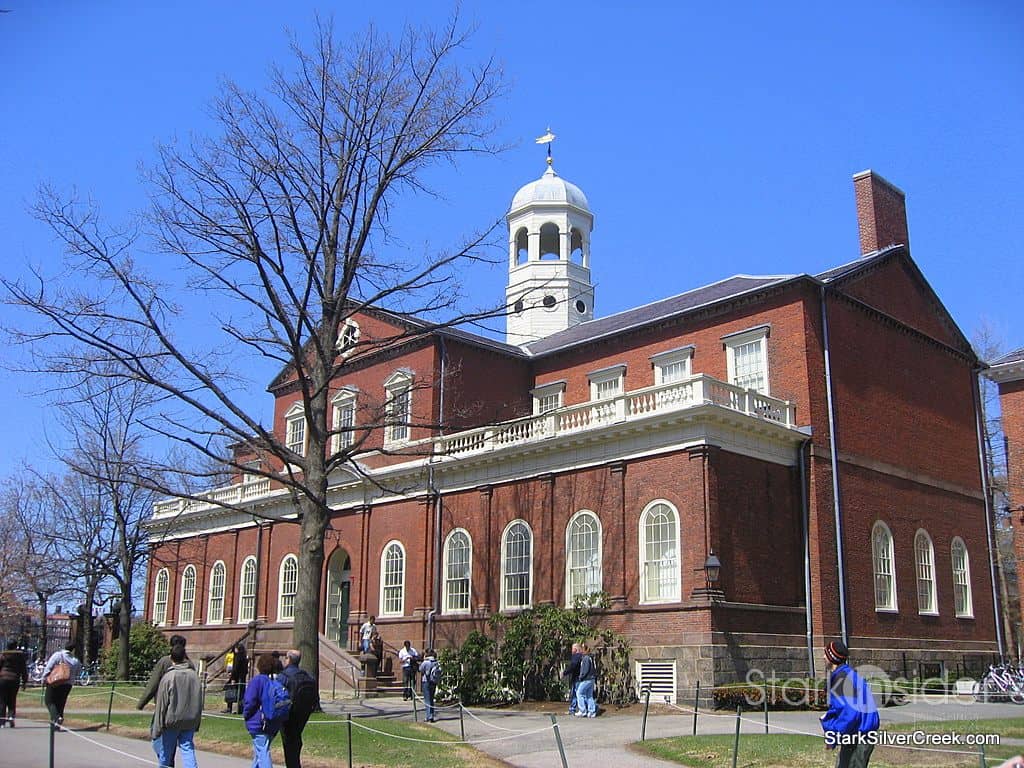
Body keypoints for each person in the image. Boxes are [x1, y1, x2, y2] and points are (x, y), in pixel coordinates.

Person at [820, 640, 879, 768]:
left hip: (858, 736)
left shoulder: (843, 680)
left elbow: (850, 714)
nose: (823, 657)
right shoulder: (848, 675)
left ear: (832, 658)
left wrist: (833, 737)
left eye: (826, 654)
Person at [151, 642, 203, 768]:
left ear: (171, 658)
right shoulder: (194, 676)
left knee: (165, 754)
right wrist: (197, 721)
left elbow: (161, 705)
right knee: (188, 749)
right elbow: (199, 701)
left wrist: (157, 729)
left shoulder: (169, 677)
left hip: (172, 721)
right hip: (189, 720)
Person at [243, 653, 288, 768]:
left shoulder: (257, 681)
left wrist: (246, 715)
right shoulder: (274, 682)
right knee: (260, 753)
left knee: (262, 752)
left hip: (258, 723)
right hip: (272, 723)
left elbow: (249, 701)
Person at [279, 650, 319, 768]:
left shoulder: (283, 676)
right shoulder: (307, 676)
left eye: (286, 657)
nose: (284, 660)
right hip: (303, 714)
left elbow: (275, 694)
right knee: (295, 741)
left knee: (289, 744)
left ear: (289, 659)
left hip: (288, 715)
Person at [139, 635, 194, 709]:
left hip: (165, 703)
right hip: (184, 705)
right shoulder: (190, 664)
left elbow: (153, 685)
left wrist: (141, 704)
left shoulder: (164, 661)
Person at [42, 642, 82, 727]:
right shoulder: (75, 660)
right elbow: (78, 672)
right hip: (68, 684)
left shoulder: (58, 655)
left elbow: (49, 667)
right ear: (73, 650)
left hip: (55, 681)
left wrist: (44, 678)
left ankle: (57, 717)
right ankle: (57, 724)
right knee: (61, 703)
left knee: (49, 701)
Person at [0, 641, 28, 727]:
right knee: (12, 699)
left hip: (3, 679)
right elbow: (24, 670)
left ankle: (2, 721)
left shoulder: (3, 655)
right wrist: (24, 681)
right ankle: (11, 716)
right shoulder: (20, 656)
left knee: (2, 701)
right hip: (15, 679)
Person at [573, 643, 598, 718]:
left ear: (584, 650)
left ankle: (582, 710)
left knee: (579, 693)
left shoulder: (586, 658)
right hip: (591, 679)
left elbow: (585, 670)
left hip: (587, 679)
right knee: (589, 695)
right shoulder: (589, 657)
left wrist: (581, 677)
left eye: (582, 649)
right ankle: (592, 711)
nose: (581, 651)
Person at [224, 643, 248, 714]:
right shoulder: (244, 657)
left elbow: (236, 668)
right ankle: (240, 709)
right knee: (240, 694)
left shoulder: (238, 657)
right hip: (242, 677)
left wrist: (233, 678)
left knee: (231, 692)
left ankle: (230, 708)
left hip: (236, 677)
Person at [419, 649, 440, 723]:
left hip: (426, 681)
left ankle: (428, 716)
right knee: (431, 699)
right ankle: (432, 715)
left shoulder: (426, 662)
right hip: (433, 682)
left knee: (427, 700)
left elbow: (420, 670)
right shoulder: (436, 662)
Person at [561, 642, 582, 715]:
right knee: (577, 694)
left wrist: (565, 672)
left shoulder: (576, 656)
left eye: (572, 649)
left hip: (577, 678)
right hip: (578, 677)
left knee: (576, 694)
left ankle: (574, 709)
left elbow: (573, 666)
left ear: (576, 649)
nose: (571, 650)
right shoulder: (580, 656)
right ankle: (576, 709)